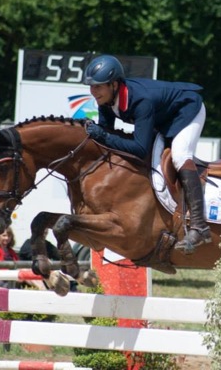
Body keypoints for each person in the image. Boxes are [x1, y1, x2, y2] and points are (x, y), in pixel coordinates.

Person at [83, 54, 209, 254]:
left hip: (187, 109)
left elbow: (140, 148)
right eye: (91, 86)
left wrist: (103, 136)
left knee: (179, 155)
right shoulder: (106, 100)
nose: (93, 92)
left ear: (114, 85)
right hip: (162, 117)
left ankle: (199, 226)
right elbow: (106, 135)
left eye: (97, 86)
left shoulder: (141, 100)